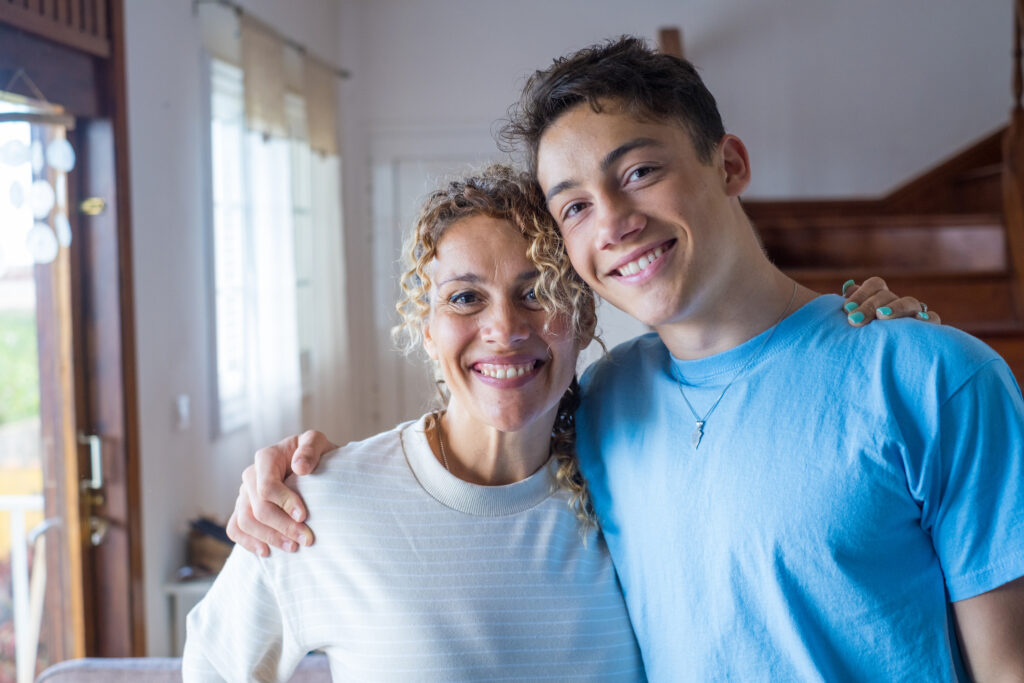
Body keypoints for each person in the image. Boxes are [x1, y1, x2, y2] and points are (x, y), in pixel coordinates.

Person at [230, 38, 1024, 680]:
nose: (612, 220)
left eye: (640, 171)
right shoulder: (604, 404)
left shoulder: (932, 377)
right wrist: (290, 475)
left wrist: (904, 341)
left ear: (730, 164)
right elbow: (475, 466)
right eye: (574, 204)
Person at [183, 166, 646, 681]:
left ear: (582, 320)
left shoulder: (632, 490)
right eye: (466, 298)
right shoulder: (319, 504)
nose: (505, 329)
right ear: (427, 329)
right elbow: (214, 667)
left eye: (536, 292)